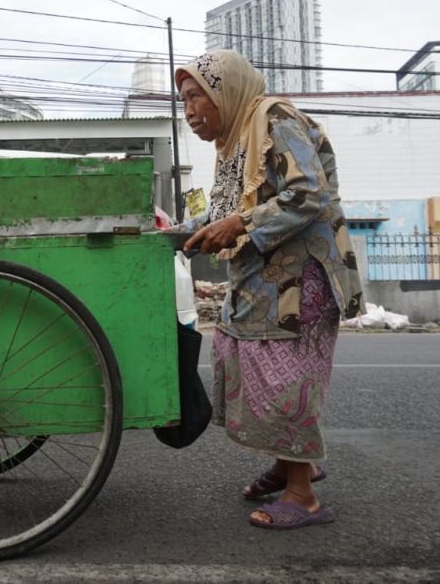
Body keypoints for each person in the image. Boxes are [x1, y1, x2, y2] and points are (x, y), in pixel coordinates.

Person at [170, 50, 363, 530]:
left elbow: (309, 193)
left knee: (285, 382)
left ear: (224, 92)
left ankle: (303, 496)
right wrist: (174, 233)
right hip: (261, 281)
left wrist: (240, 223)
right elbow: (224, 212)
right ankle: (290, 467)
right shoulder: (236, 142)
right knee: (248, 362)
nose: (189, 110)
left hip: (301, 282)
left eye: (195, 97)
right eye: (184, 101)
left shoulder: (275, 120)